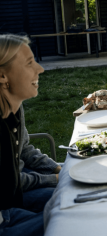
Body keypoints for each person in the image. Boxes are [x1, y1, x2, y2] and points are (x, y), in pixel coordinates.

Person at [0, 34, 58, 235]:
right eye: (29, 63)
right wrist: (56, 179)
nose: (40, 69)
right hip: (5, 218)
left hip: (10, 205)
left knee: (74, 200)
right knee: (75, 216)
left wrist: (57, 168)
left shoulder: (12, 106)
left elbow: (24, 149)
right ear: (2, 76)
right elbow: (11, 183)